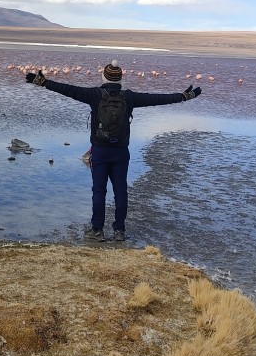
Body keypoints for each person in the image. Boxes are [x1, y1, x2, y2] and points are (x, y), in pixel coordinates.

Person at [25, 59, 200, 242]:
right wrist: (183, 96)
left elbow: (68, 90)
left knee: (99, 191)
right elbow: (157, 99)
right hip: (121, 152)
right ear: (120, 79)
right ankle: (119, 231)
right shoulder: (129, 97)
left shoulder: (94, 95)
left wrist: (43, 82)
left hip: (100, 151)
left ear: (103, 77)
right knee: (121, 191)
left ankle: (97, 230)